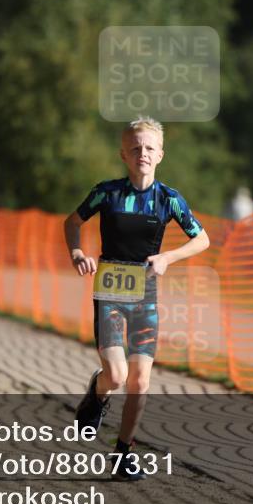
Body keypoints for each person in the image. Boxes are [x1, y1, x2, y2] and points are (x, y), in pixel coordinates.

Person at [64, 116, 210, 482]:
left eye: (148, 148)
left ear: (160, 154)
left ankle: (123, 453)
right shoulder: (107, 193)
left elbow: (202, 239)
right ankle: (96, 395)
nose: (141, 153)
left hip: (145, 296)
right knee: (116, 374)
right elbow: (72, 222)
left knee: (141, 381)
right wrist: (78, 253)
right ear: (123, 155)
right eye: (135, 148)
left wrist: (166, 258)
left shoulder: (168, 200)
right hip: (110, 293)